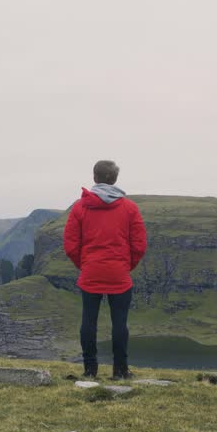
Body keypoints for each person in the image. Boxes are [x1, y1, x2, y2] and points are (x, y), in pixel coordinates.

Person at [63, 160, 147, 379]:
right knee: (120, 323)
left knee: (88, 322)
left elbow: (71, 244)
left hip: (91, 272)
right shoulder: (130, 208)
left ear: (94, 177)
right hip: (119, 273)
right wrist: (127, 266)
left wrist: (85, 264)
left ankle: (90, 371)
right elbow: (139, 245)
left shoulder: (80, 207)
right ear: (115, 179)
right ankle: (120, 371)